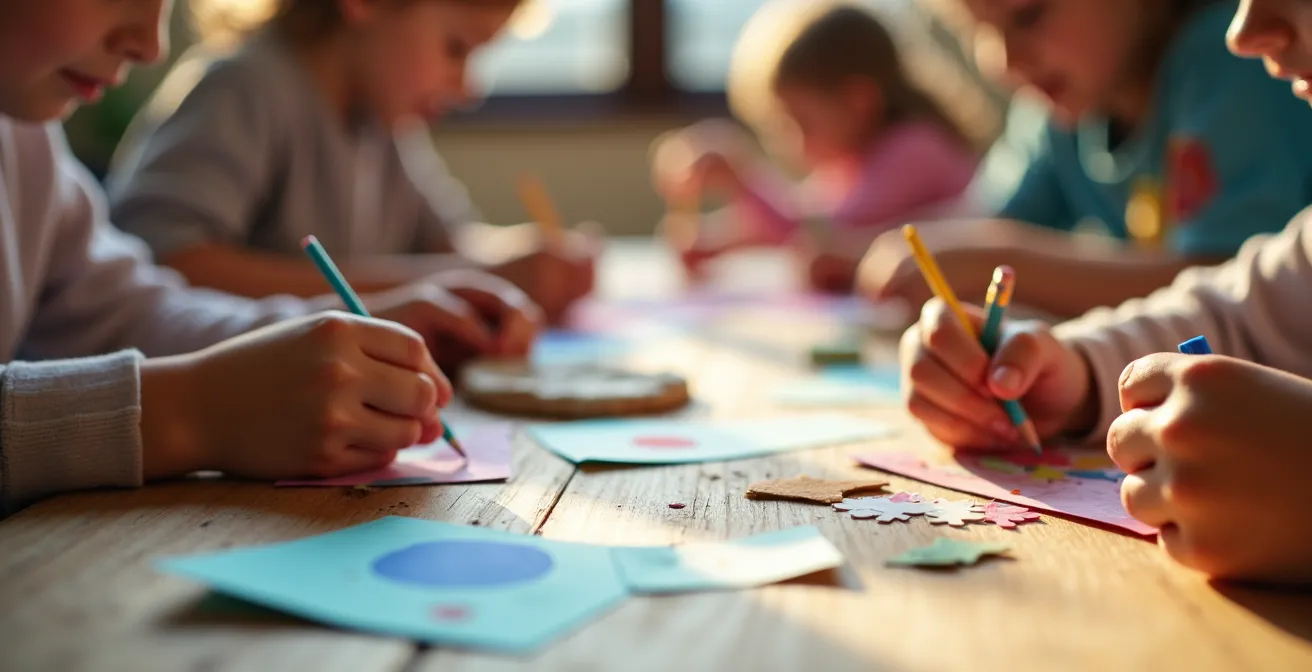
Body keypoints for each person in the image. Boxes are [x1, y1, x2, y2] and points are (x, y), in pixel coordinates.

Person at [0, 0, 540, 515]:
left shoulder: (27, 141)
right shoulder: (248, 87)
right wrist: (198, 410)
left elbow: (124, 309)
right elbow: (175, 257)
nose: (152, 46)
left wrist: (339, 326)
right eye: (457, 47)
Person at [898, 0, 1312, 585]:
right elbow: (1246, 314)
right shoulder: (1063, 115)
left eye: (1029, 14)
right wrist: (1076, 374)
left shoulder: (1218, 70)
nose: (1242, 32)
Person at [106, 0, 595, 323]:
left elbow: (448, 242)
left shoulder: (383, 119)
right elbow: (167, 265)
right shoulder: (246, 88)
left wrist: (530, 261)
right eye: (457, 48)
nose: (469, 89)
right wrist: (459, 280)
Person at [861, 0, 1312, 319]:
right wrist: (862, 248)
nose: (1004, 61)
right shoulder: (1063, 109)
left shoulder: (1231, 56)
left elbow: (1237, 289)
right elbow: (984, 221)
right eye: (978, 30)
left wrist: (996, 265)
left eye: (1028, 14)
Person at [650, 3, 978, 293]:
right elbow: (805, 210)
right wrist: (718, 243)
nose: (792, 142)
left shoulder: (915, 148)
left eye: (802, 123)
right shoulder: (855, 158)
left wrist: (741, 179)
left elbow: (820, 235)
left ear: (859, 100)